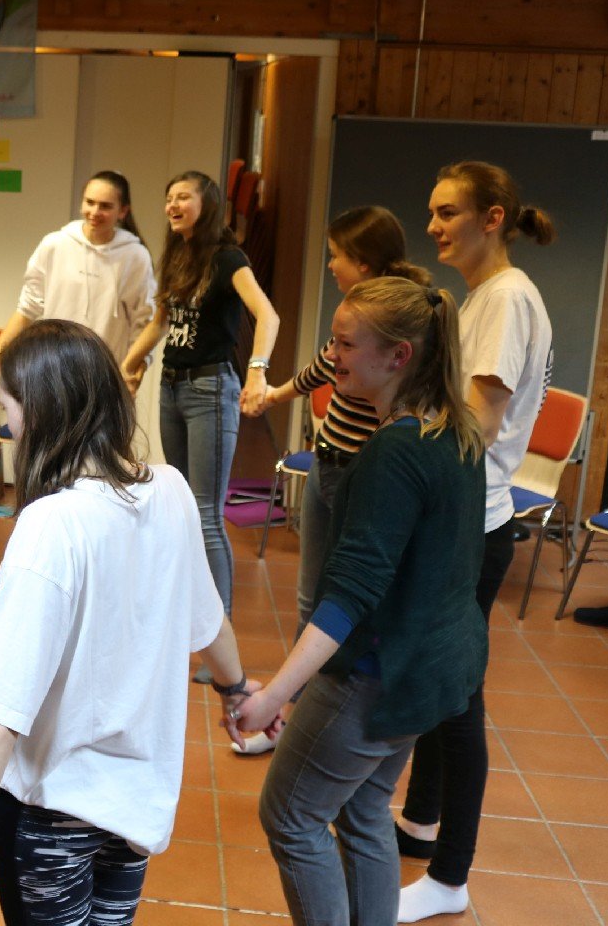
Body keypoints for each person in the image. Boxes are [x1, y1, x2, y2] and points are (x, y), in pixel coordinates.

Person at [0, 319, 250, 926]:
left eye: (8, 407)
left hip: (47, 817)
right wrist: (236, 690)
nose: (6, 426)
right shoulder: (171, 490)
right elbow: (208, 622)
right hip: (133, 812)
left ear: (40, 411)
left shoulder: (53, 524)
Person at [233, 276, 488, 926]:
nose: (333, 356)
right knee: (364, 807)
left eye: (346, 344)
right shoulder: (454, 433)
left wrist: (275, 695)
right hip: (428, 672)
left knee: (290, 815)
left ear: (398, 356)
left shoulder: (395, 454)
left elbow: (349, 595)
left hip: (379, 676)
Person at [395, 162, 555, 923]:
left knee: (458, 696)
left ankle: (450, 875)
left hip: (470, 521)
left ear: (493, 218)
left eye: (448, 212)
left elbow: (478, 427)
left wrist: (403, 470)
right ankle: (421, 820)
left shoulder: (506, 299)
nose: (433, 226)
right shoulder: (484, 296)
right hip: (469, 515)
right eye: (431, 211)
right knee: (443, 682)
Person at [239, 207, 432, 756]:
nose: (330, 264)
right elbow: (321, 368)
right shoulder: (354, 325)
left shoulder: (388, 330)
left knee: (339, 601)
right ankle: (295, 712)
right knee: (311, 597)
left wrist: (272, 394)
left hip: (358, 474)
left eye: (337, 255)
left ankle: (310, 718)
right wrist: (275, 395)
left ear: (364, 262)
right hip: (327, 462)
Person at [121, 171, 279, 653]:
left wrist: (257, 372)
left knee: (207, 513)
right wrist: (129, 364)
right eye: (168, 197)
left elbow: (267, 315)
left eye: (183, 197)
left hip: (210, 388)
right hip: (172, 386)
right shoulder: (177, 256)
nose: (173, 205)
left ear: (205, 205)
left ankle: (220, 637)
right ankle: (189, 618)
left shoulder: (228, 258)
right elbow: (161, 323)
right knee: (182, 507)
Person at [0, 170, 155, 384]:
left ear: (123, 211)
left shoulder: (135, 256)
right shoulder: (54, 245)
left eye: (105, 206)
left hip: (104, 375)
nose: (95, 212)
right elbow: (26, 310)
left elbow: (144, 324)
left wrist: (132, 373)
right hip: (53, 370)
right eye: (90, 202)